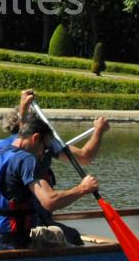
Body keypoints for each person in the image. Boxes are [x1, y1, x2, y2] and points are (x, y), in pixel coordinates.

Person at [0, 108, 99, 252]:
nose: (43, 154)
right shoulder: (26, 159)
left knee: (67, 235)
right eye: (44, 147)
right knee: (74, 245)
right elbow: (50, 201)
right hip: (14, 242)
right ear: (36, 138)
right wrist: (83, 188)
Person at [16, 90, 109, 246]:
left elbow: (84, 158)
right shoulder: (34, 144)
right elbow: (86, 157)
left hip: (26, 219)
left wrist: (23, 107)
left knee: (69, 234)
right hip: (34, 220)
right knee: (73, 236)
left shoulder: (8, 147)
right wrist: (99, 130)